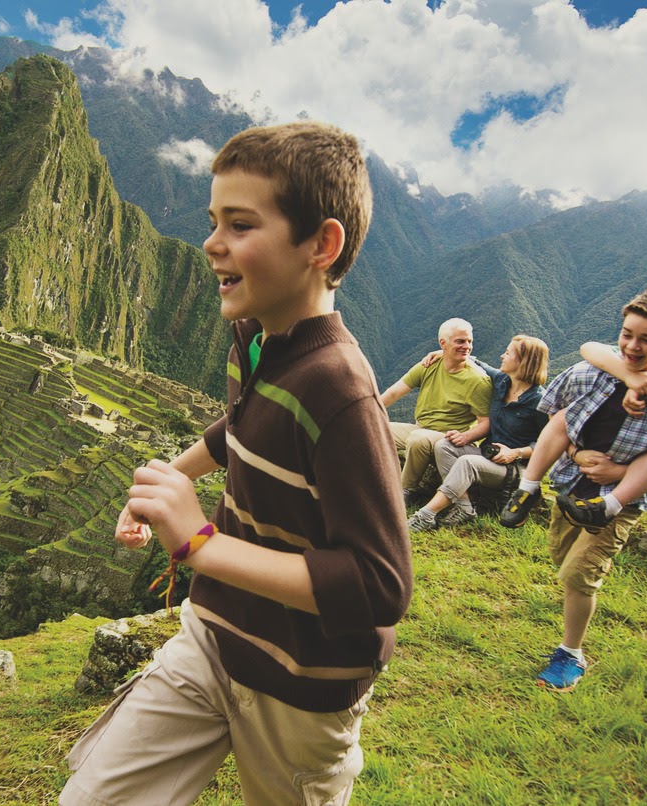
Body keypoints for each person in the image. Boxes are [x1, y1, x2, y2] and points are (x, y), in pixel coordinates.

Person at [60, 121, 412, 806]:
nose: (211, 243)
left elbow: (378, 586)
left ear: (322, 244)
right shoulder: (253, 337)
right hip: (214, 634)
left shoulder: (340, 392)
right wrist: (173, 478)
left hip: (300, 685)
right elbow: (244, 426)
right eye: (213, 220)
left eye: (240, 224)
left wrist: (198, 543)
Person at [506, 289, 647, 692]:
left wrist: (621, 471)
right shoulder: (591, 373)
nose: (633, 346)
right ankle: (528, 488)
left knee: (580, 574)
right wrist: (574, 452)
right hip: (570, 486)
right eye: (627, 334)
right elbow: (553, 413)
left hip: (621, 500)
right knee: (564, 563)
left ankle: (571, 655)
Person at [500, 303, 647, 531]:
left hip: (628, 484)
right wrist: (630, 377)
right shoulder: (622, 358)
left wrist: (644, 385)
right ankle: (528, 487)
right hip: (573, 475)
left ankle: (610, 506)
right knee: (565, 415)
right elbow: (589, 348)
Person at [408, 335, 549, 532]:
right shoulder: (501, 381)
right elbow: (478, 362)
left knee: (467, 462)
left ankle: (425, 515)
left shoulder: (539, 401)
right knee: (444, 446)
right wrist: (445, 352)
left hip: (515, 468)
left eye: (508, 353)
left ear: (523, 361)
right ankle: (464, 507)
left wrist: (515, 453)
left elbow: (548, 445)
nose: (502, 356)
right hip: (488, 455)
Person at [378, 319, 493, 505]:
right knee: (373, 430)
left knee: (418, 439)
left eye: (470, 341)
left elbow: (486, 423)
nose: (467, 346)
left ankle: (406, 490)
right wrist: (367, 413)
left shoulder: (477, 380)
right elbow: (394, 392)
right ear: (443, 343)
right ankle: (371, 481)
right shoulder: (429, 365)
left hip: (447, 438)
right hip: (419, 427)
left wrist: (466, 437)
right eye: (460, 341)